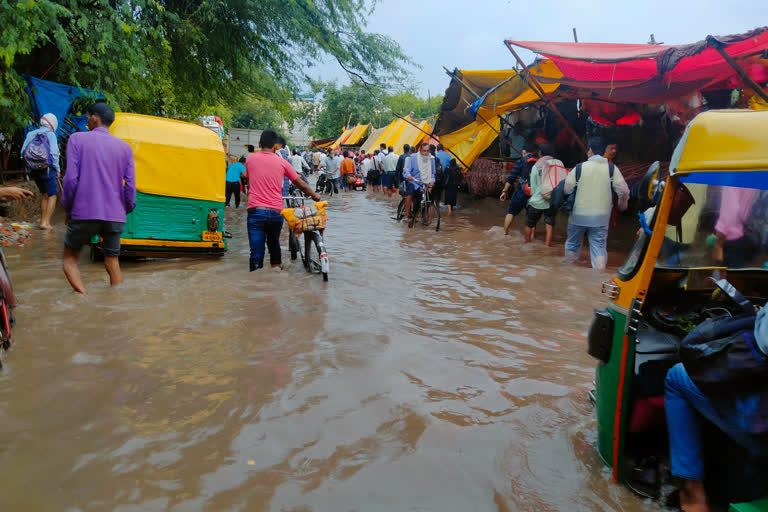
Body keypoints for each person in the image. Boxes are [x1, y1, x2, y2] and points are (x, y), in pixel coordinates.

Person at [60, 103, 136, 294]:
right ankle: (116, 303)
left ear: (95, 118)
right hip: (115, 215)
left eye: (88, 117)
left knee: (69, 261)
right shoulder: (125, 148)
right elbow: (131, 186)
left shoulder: (76, 140)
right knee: (112, 261)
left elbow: (70, 180)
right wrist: (124, 209)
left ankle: (84, 301)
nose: (87, 120)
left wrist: (69, 209)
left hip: (84, 212)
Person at [245, 130, 320, 271]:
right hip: (276, 212)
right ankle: (276, 272)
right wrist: (315, 195)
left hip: (256, 212)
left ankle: (255, 281)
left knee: (256, 252)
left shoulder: (250, 159)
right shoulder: (282, 162)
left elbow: (249, 178)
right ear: (275, 147)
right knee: (274, 245)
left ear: (259, 144)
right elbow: (301, 184)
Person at [563, 136, 629, 269]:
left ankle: (568, 271)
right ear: (604, 150)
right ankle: (598, 278)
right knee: (598, 247)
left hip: (578, 214)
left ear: (590, 151)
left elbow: (567, 189)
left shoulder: (579, 168)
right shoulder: (612, 169)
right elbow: (624, 191)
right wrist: (622, 205)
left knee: (572, 244)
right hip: (601, 217)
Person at [21, 113, 60, 229]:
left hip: (34, 170)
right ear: (53, 124)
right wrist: (57, 169)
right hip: (47, 169)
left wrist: (31, 166)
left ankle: (42, 220)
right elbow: (53, 153)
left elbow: (23, 152)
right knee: (53, 195)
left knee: (44, 195)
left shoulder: (31, 133)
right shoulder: (51, 134)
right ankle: (46, 223)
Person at [499, 142, 538, 235]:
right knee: (531, 216)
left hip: (521, 192)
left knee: (511, 211)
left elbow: (511, 177)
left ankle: (505, 232)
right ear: (534, 151)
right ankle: (532, 237)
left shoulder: (521, 161)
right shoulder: (538, 162)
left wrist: (504, 191)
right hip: (534, 193)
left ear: (524, 151)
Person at [525, 143, 558, 246]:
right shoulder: (558, 164)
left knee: (529, 224)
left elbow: (533, 186)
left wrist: (536, 195)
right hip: (552, 199)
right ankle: (547, 246)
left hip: (537, 200)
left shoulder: (536, 166)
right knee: (549, 225)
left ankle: (527, 244)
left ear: (540, 153)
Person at [403, 143, 436, 222]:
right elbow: (407, 170)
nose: (426, 153)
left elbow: (433, 173)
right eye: (424, 151)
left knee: (427, 197)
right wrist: (408, 176)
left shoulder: (431, 159)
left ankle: (425, 214)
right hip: (414, 181)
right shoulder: (413, 157)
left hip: (425, 183)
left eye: (427, 151)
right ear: (420, 150)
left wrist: (432, 181)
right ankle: (406, 215)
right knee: (410, 194)